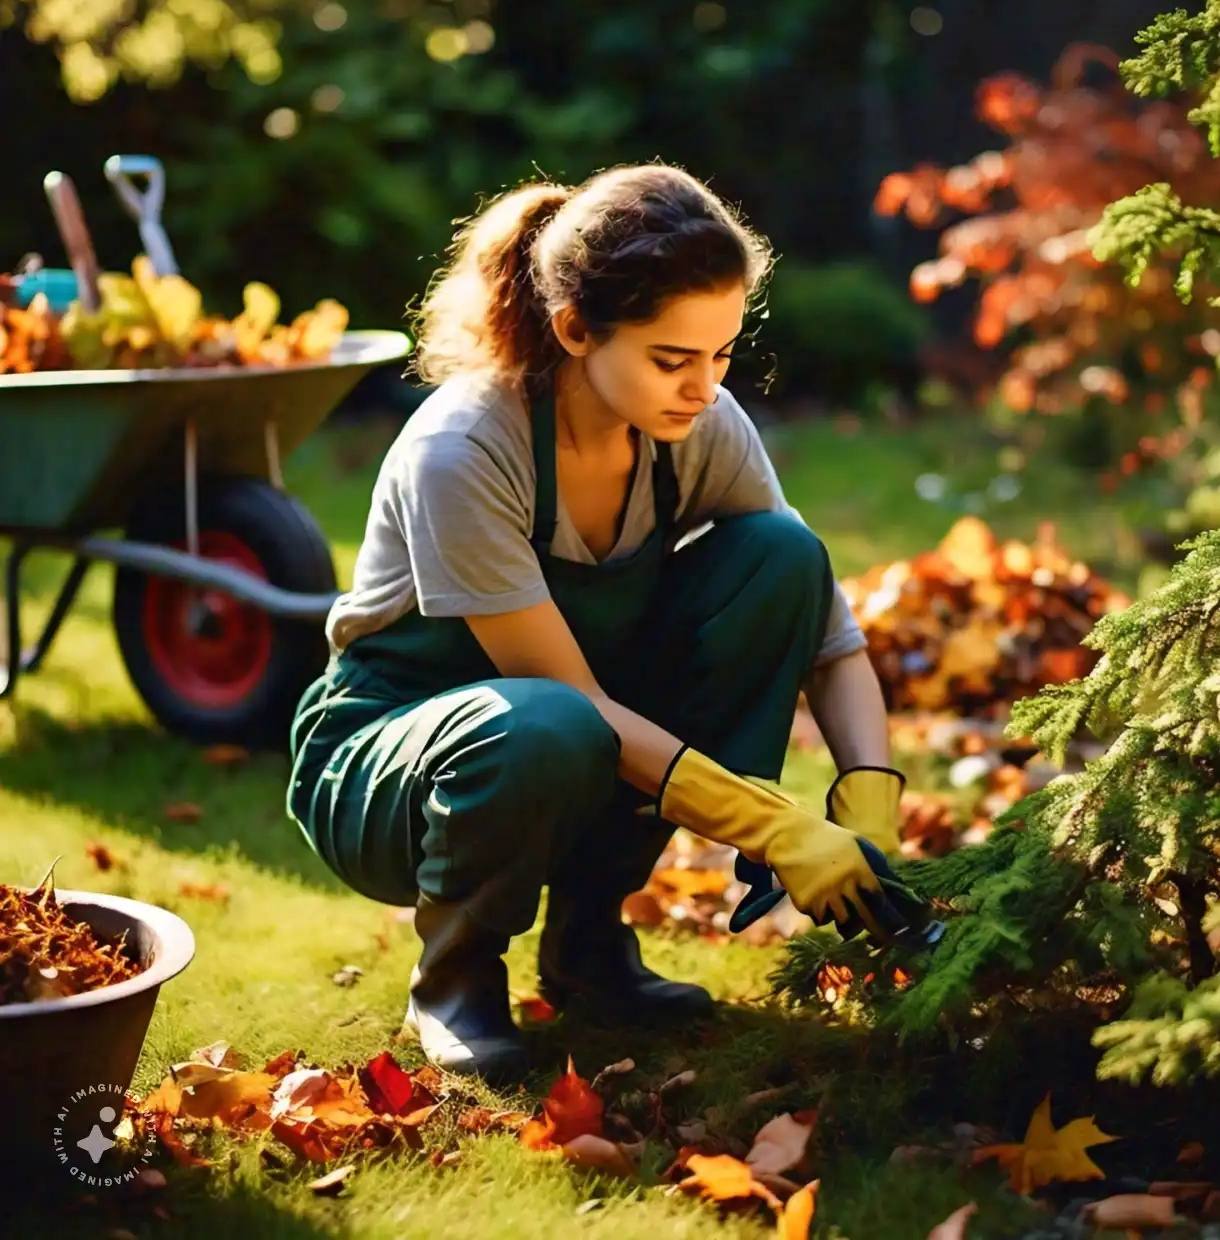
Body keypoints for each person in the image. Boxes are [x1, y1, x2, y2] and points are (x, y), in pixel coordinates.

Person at [286, 163, 912, 1085]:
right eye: (672, 359)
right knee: (548, 720)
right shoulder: (465, 449)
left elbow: (826, 632)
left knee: (780, 556)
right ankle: (455, 977)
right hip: (391, 771)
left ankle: (588, 945)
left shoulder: (697, 425)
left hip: (575, 734)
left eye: (722, 355)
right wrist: (775, 828)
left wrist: (870, 802)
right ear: (576, 329)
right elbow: (568, 696)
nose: (704, 388)